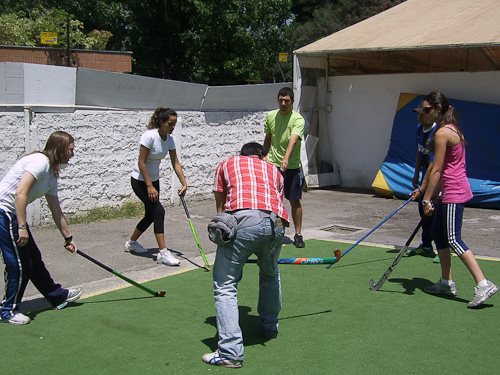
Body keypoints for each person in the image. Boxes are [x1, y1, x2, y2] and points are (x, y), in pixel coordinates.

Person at [202, 142, 289, 368]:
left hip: (242, 223)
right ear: (262, 156)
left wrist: (224, 232)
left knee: (225, 285)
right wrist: (264, 245)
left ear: (242, 155)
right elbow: (278, 203)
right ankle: (270, 328)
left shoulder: (227, 163)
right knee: (270, 274)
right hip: (275, 225)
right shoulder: (274, 170)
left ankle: (230, 352)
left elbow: (220, 205)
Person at [419, 91, 498, 308]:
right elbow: (442, 168)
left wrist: (426, 199)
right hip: (448, 191)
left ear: (438, 109)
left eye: (426, 110)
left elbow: (436, 169)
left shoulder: (443, 132)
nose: (423, 114)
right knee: (437, 233)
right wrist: (431, 192)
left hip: (454, 192)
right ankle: (446, 282)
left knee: (453, 238)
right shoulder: (450, 129)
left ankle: (483, 284)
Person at [0, 131, 83, 325]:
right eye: (71, 149)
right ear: (61, 148)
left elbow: (56, 210)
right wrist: (22, 227)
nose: (73, 154)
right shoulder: (40, 162)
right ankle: (7, 310)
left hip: (13, 214)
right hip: (3, 212)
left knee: (33, 259)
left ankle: (56, 296)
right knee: (19, 264)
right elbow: (20, 194)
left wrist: (68, 238)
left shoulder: (51, 173)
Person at [125, 107, 187, 266]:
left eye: (174, 124)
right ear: (160, 122)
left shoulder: (170, 139)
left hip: (154, 180)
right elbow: (141, 162)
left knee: (151, 215)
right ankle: (163, 253)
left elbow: (175, 163)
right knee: (159, 211)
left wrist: (184, 182)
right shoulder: (149, 136)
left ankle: (131, 243)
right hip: (140, 181)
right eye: (170, 124)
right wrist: (149, 186)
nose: (172, 127)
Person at [264, 87, 305, 248]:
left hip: (292, 167)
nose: (283, 103)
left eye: (286, 101)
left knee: (294, 200)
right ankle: (274, 232)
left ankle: (298, 234)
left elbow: (293, 140)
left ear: (292, 102)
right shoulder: (270, 116)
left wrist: (286, 159)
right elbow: (268, 137)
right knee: (273, 201)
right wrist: (263, 155)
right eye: (280, 100)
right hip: (273, 165)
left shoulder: (297, 119)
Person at [407, 106, 440, 263]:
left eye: (424, 114)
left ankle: (443, 249)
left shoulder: (438, 133)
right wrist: (416, 172)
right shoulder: (420, 129)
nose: (420, 117)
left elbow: (434, 165)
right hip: (425, 177)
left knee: (437, 214)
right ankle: (426, 245)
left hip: (437, 179)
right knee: (423, 211)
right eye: (419, 114)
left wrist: (423, 189)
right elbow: (420, 153)